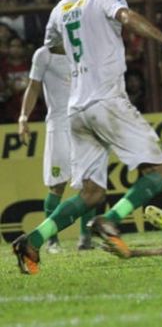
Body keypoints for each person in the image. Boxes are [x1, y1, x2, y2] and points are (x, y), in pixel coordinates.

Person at [12, 0, 162, 275]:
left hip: (76, 111)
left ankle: (33, 241)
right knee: (161, 172)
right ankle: (109, 222)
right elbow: (129, 18)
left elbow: (52, 45)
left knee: (92, 192)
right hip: (106, 101)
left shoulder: (61, 8)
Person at [18, 45, 97, 252]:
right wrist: (23, 116)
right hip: (59, 126)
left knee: (90, 183)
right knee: (57, 184)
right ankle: (51, 240)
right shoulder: (43, 55)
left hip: (84, 123)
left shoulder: (83, 48)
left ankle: (86, 238)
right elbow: (33, 87)